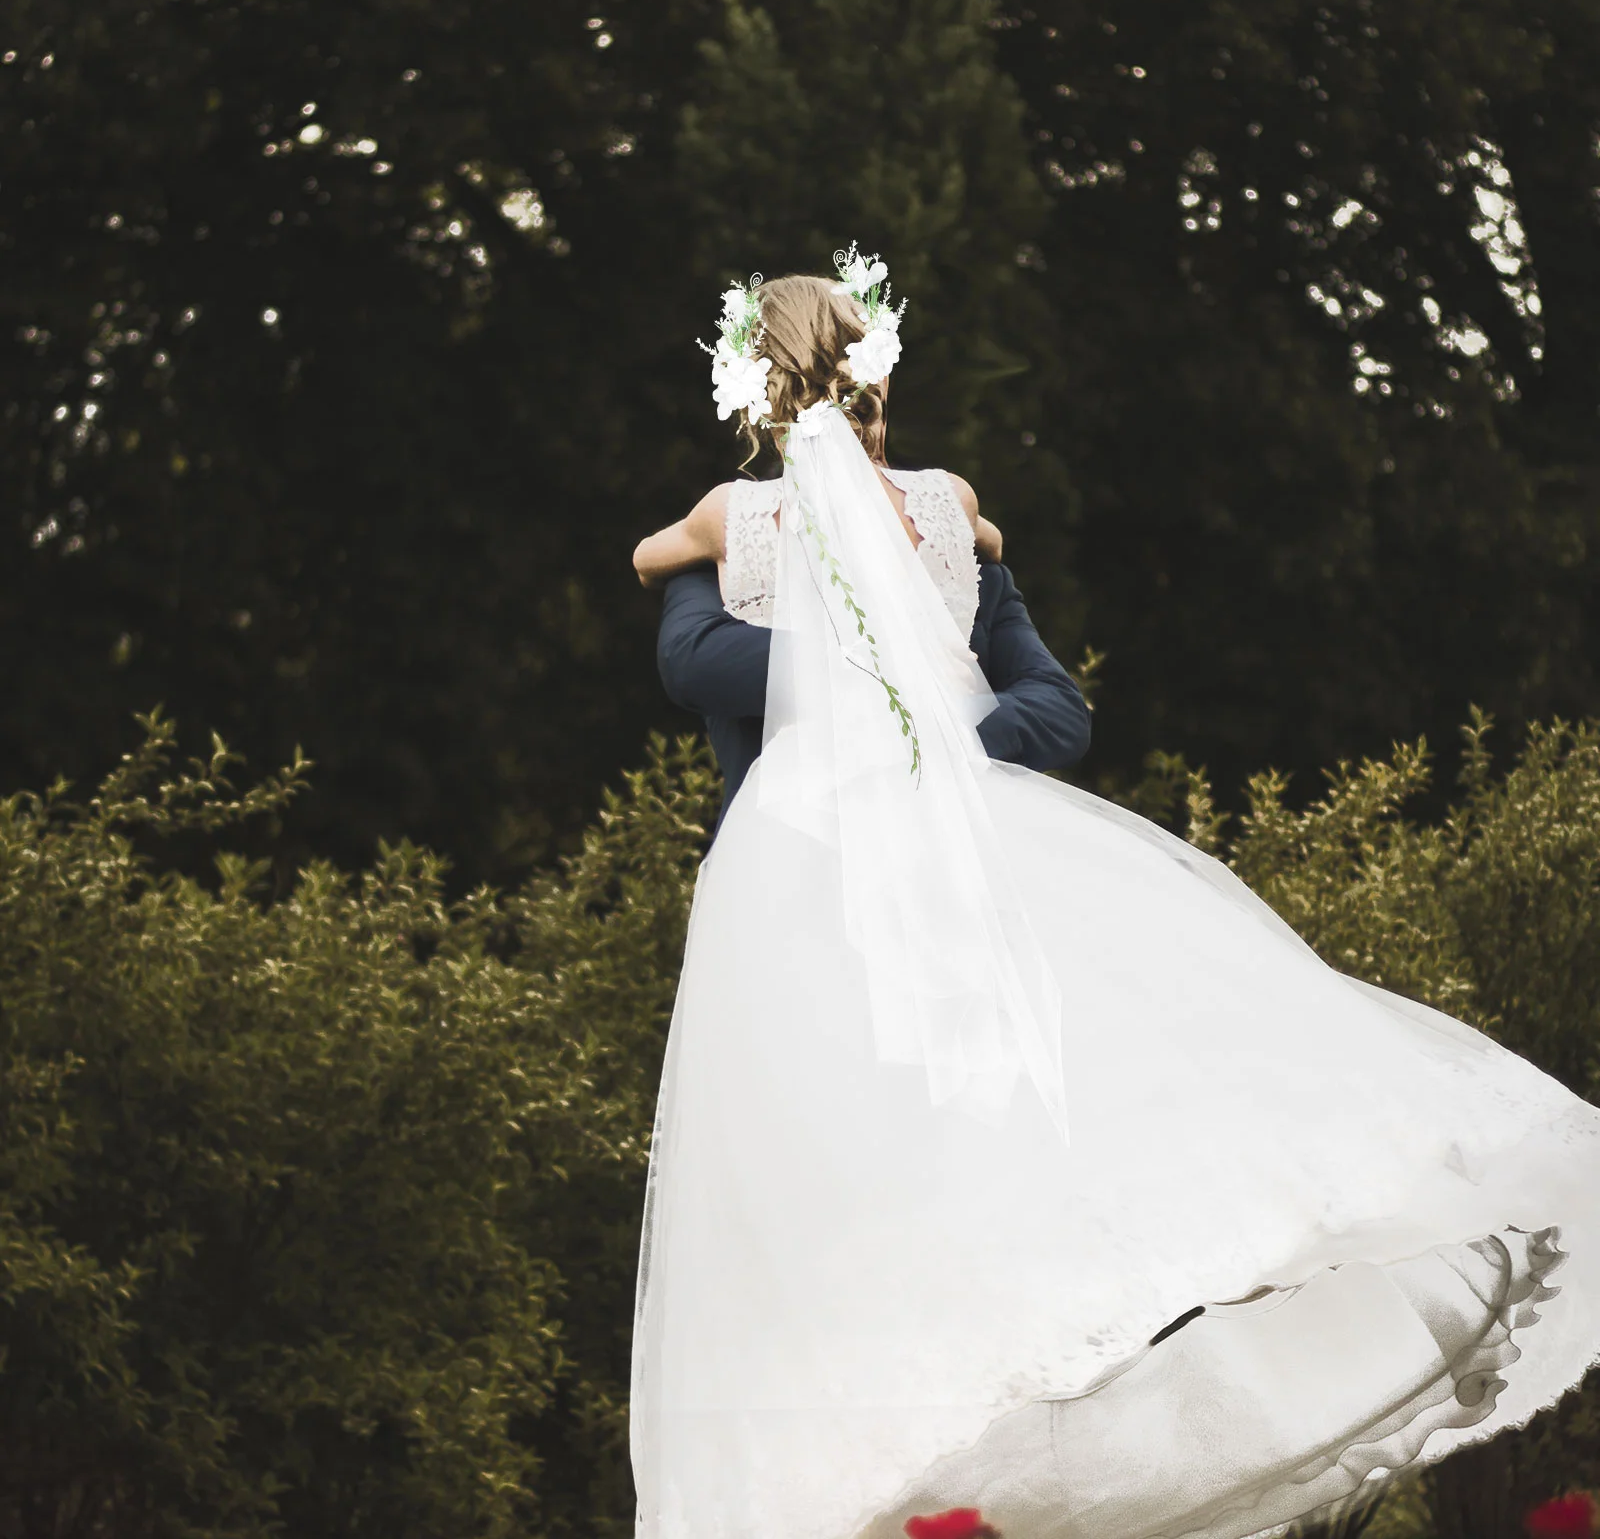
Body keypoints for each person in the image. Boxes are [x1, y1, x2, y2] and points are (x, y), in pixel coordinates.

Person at [626, 247, 1600, 1539]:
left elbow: (1037, 705)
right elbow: (706, 666)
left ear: (751, 386)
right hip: (832, 900)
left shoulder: (737, 533)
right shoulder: (930, 529)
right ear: (876, 380)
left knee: (949, 1174)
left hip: (881, 877)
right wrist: (904, 672)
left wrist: (928, 747)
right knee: (855, 1201)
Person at [649, 559, 1091, 840]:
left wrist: (944, 725)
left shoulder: (968, 567)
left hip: (959, 872)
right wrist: (900, 669)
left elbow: (1060, 710)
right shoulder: (723, 565)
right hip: (786, 870)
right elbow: (691, 663)